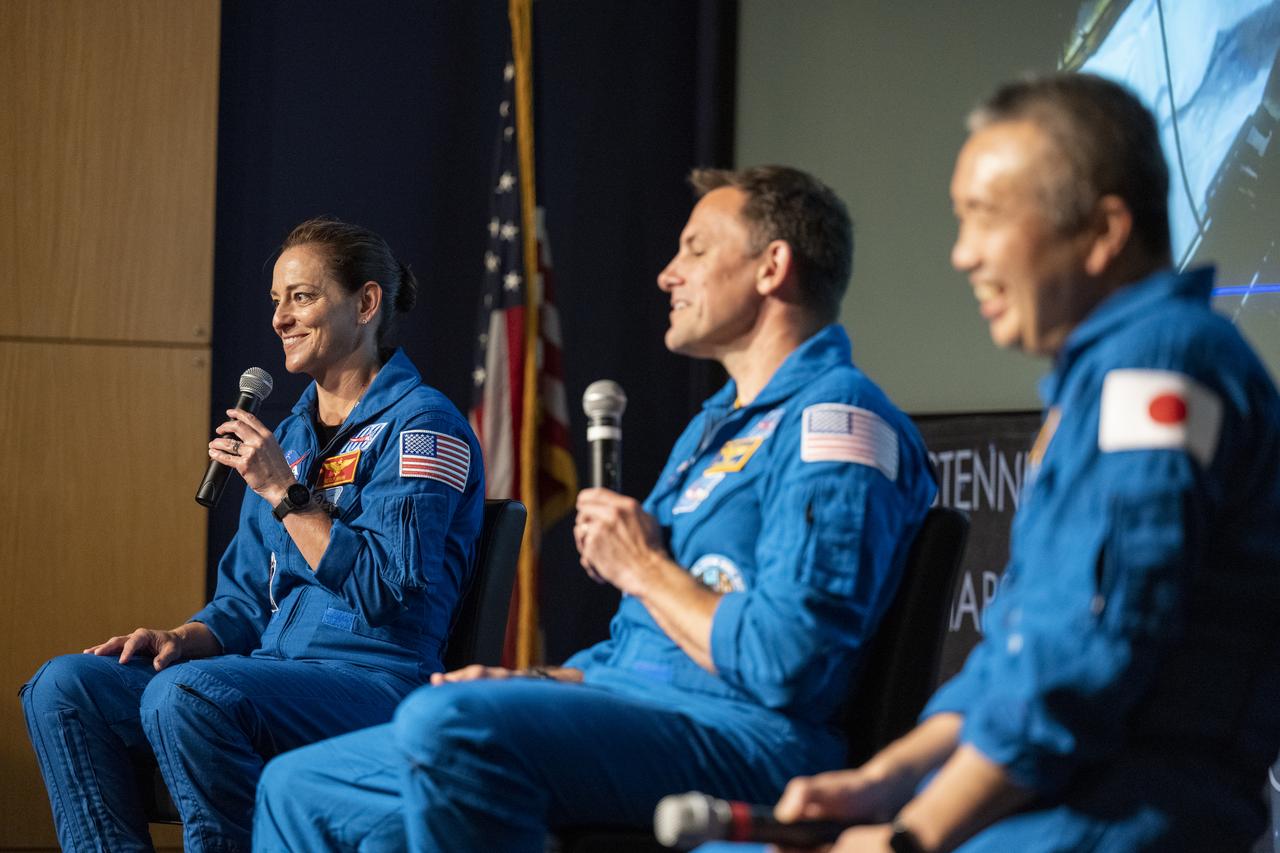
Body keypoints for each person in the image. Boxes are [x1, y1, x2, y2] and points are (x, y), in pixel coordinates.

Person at [251, 166, 937, 851]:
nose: (669, 274)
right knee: (298, 786)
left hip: (747, 737)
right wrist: (542, 679)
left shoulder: (835, 424)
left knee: (450, 721)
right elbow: (644, 643)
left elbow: (790, 662)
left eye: (696, 249)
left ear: (772, 267)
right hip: (631, 706)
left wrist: (643, 566)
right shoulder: (713, 429)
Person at [772, 73, 1280, 853]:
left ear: (1105, 231)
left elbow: (1086, 651)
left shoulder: (1159, 367)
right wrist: (888, 778)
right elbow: (1017, 648)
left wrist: (914, 834)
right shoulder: (1107, 379)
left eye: (987, 217)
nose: (962, 253)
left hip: (1118, 820)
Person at [20, 218, 485, 852]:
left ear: (367, 303)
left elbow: (392, 593)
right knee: (66, 686)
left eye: (302, 297)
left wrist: (285, 495)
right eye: (276, 301)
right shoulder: (289, 436)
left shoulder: (423, 426)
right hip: (274, 671)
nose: (280, 320)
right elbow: (243, 603)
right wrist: (184, 637)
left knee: (188, 695)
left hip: (380, 681)